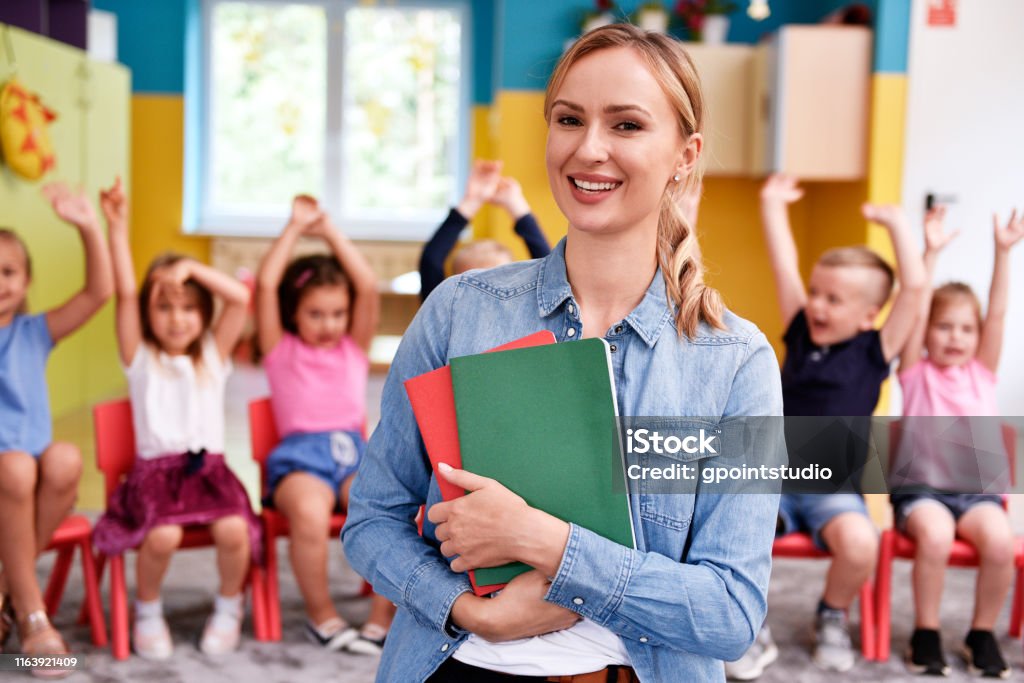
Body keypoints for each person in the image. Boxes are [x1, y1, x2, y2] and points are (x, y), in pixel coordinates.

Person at [343, 24, 783, 682]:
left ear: (685, 155)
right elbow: (372, 519)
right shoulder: (459, 311)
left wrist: (545, 543)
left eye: (627, 125)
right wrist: (470, 610)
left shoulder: (736, 362)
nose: (589, 149)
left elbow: (729, 611)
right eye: (568, 119)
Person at [729, 174, 925, 678]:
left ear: (868, 316)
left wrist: (898, 224)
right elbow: (783, 265)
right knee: (727, 526)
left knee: (862, 543)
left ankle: (832, 614)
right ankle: (749, 621)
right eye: (816, 293)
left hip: (832, 489)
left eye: (833, 300)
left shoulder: (873, 351)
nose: (817, 305)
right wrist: (772, 205)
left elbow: (917, 286)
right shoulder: (799, 329)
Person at [91, 177, 260, 660]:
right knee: (162, 536)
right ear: (148, 314)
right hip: (154, 478)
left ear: (202, 312)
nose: (177, 318)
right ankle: (147, 610)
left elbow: (240, 299)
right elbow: (125, 292)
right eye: (164, 306)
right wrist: (117, 225)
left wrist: (191, 268)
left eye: (188, 307)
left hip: (209, 473)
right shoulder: (140, 358)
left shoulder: (212, 353)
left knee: (234, 531)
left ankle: (229, 606)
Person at [256, 194, 395, 654]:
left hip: (353, 454)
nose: (329, 324)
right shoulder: (280, 351)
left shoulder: (352, 350)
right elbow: (265, 284)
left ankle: (380, 618)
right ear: (294, 311)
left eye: (337, 313)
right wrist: (295, 228)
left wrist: (331, 230)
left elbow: (367, 286)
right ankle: (322, 616)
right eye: (316, 314)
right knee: (311, 515)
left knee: (383, 507)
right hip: (300, 460)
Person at [889, 205, 1023, 677]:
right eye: (944, 326)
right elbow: (917, 302)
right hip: (923, 493)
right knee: (937, 535)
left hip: (978, 493)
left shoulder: (981, 373)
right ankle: (926, 631)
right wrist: (930, 252)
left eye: (967, 329)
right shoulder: (916, 373)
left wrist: (1003, 252)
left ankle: (980, 632)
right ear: (925, 333)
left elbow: (999, 311)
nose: (956, 337)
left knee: (1001, 543)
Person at [0, 184, 113, 675]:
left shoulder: (33, 333)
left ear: (25, 282)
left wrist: (90, 226)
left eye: (8, 272)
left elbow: (98, 293)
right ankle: (32, 618)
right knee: (18, 468)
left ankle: (6, 588)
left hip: (29, 476)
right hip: (10, 474)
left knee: (64, 457)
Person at [418, 159, 550, 301]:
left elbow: (550, 273)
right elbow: (430, 262)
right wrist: (471, 201)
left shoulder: (522, 313)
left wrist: (516, 205)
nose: (487, 293)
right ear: (453, 287)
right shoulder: (446, 310)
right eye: (473, 285)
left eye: (498, 284)